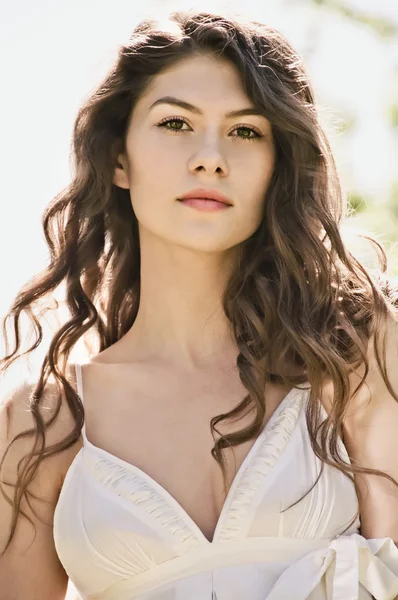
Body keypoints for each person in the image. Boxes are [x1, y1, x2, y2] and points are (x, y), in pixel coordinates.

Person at [1, 7, 398, 600]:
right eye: (175, 124)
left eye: (245, 131)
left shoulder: (354, 351)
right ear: (118, 159)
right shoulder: (44, 423)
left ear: (276, 165)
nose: (210, 157)